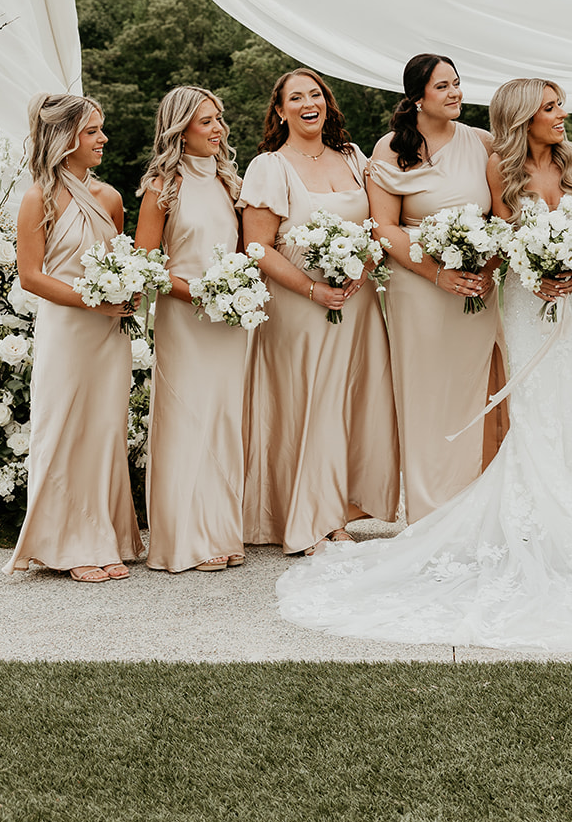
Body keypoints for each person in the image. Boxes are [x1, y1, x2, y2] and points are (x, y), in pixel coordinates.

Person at [275, 78, 572, 649]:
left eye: (560, 106)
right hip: (526, 299)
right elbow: (506, 230)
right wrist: (538, 266)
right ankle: (532, 527)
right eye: (551, 108)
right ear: (524, 117)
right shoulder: (498, 166)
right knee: (533, 406)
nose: (563, 115)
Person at [239, 68, 399, 555]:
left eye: (316, 94)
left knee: (352, 399)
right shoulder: (270, 166)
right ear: (280, 110)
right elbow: (257, 247)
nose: (308, 103)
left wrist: (360, 267)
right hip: (300, 307)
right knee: (310, 402)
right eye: (296, 97)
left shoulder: (354, 158)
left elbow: (378, 224)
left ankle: (343, 508)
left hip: (358, 299)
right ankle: (313, 517)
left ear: (327, 102)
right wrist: (313, 289)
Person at [5, 94, 143, 582]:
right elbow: (31, 277)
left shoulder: (110, 198)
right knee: (64, 427)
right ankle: (66, 544)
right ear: (65, 139)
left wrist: (128, 291)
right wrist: (92, 301)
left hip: (110, 333)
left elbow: (121, 259)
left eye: (101, 129)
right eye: (92, 131)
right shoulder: (36, 197)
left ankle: (104, 537)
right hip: (67, 330)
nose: (103, 138)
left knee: (105, 428)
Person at [367, 53, 504, 522]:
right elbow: (384, 228)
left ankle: (476, 506)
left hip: (476, 287)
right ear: (417, 96)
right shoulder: (390, 148)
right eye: (443, 86)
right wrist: (437, 273)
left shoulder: (484, 142)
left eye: (457, 83)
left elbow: (503, 215)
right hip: (419, 287)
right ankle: (430, 513)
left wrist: (487, 265)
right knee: (425, 393)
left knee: (475, 390)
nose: (455, 93)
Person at [135, 86, 247, 573]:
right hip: (185, 318)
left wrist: (237, 291)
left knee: (224, 420)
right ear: (180, 129)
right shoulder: (164, 186)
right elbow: (146, 265)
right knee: (186, 420)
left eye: (219, 119)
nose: (218, 129)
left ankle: (221, 530)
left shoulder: (230, 183)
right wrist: (199, 293)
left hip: (232, 322)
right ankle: (184, 539)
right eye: (206, 122)